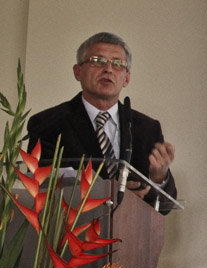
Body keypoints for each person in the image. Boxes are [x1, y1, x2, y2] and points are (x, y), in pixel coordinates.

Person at [26, 31, 178, 213]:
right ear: (77, 72)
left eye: (118, 64)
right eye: (97, 61)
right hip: (73, 227)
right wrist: (110, 194)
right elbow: (41, 188)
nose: (108, 69)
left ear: (127, 78)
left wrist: (159, 177)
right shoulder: (48, 123)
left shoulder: (147, 128)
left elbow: (164, 207)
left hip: (131, 228)